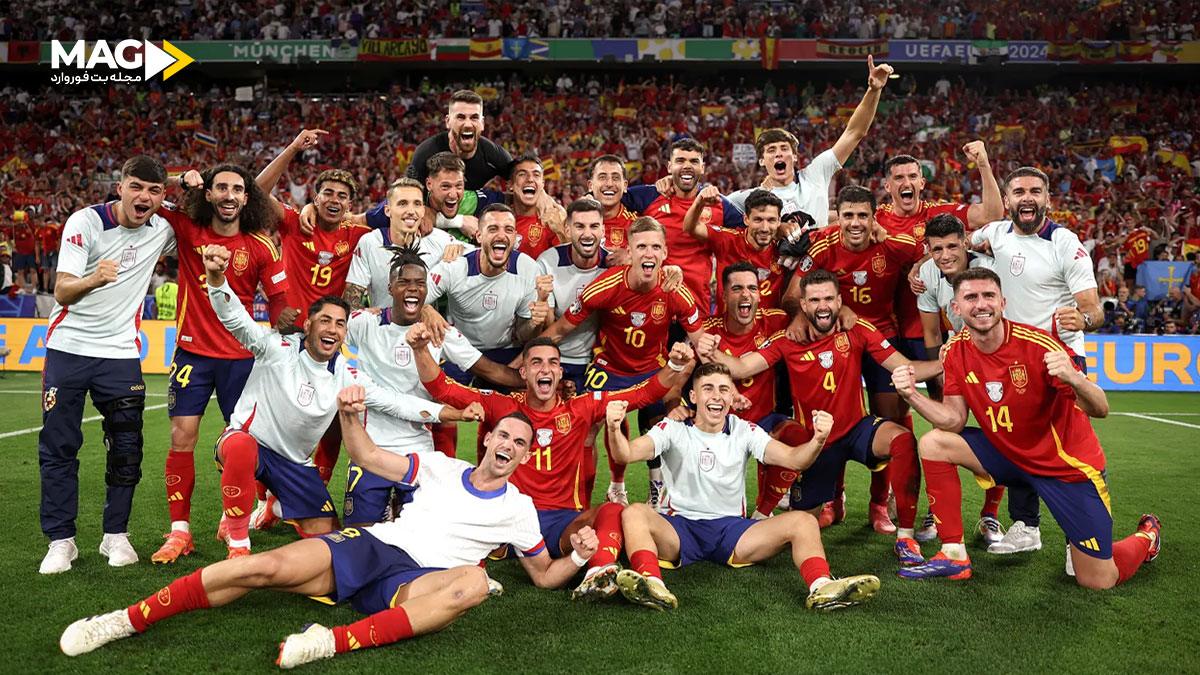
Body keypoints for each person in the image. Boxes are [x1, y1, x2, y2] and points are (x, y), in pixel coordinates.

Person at [58, 400, 601, 669]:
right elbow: (367, 456)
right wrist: (350, 414)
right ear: (487, 439)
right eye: (503, 435)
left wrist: (577, 558)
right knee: (260, 568)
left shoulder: (519, 509)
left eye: (520, 443)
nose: (508, 446)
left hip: (420, 581)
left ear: (525, 455)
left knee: (476, 584)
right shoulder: (439, 466)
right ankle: (125, 620)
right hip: (376, 546)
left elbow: (544, 575)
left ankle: (327, 641)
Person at [188, 243, 473, 556]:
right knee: (241, 445)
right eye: (325, 320)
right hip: (252, 445)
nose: (332, 329)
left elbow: (395, 402)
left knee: (331, 538)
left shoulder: (346, 375)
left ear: (346, 332)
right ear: (308, 324)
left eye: (340, 324)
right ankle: (239, 542)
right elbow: (234, 318)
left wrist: (452, 413)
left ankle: (276, 504)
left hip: (296, 464)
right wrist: (216, 279)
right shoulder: (276, 347)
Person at [892, 267, 1161, 588]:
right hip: (1010, 456)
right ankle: (953, 555)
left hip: (1065, 467)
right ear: (956, 308)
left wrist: (1074, 378)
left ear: (1002, 302)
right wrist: (912, 396)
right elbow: (954, 419)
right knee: (935, 443)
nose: (981, 304)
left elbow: (1100, 408)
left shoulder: (1039, 345)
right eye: (971, 297)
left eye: (989, 295)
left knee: (1097, 579)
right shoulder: (954, 350)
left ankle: (1146, 538)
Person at [413, 332, 695, 601]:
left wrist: (673, 365)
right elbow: (442, 388)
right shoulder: (502, 405)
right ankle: (470, 564)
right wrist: (420, 349)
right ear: (524, 372)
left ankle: (598, 572)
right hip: (509, 516)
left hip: (562, 523)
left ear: (560, 373)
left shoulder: (581, 408)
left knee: (612, 510)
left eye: (553, 363)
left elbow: (643, 393)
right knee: (459, 520)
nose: (545, 369)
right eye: (536, 362)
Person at [700, 269, 942, 567]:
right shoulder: (785, 340)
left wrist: (944, 362)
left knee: (902, 439)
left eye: (828, 298)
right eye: (814, 300)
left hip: (856, 428)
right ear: (803, 305)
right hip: (817, 443)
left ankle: (905, 537)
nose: (822, 306)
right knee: (800, 527)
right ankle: (758, 526)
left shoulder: (857, 330)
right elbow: (741, 368)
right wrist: (713, 352)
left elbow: (905, 367)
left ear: (840, 301)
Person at [602, 363, 881, 612]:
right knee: (635, 512)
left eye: (724, 389)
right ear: (693, 397)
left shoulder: (744, 430)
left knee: (803, 521)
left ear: (731, 398)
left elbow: (795, 459)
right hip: (678, 527)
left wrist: (818, 440)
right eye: (708, 388)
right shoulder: (672, 428)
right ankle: (651, 583)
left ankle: (821, 586)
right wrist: (614, 429)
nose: (717, 396)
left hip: (733, 532)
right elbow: (625, 454)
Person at [37, 156, 178, 574]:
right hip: (68, 348)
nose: (144, 197)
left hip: (120, 353)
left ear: (163, 196)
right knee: (59, 445)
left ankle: (115, 535)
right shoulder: (86, 222)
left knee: (127, 447)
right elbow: (62, 290)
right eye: (136, 187)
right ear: (119, 187)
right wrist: (95, 278)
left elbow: (230, 198)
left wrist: (186, 178)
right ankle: (61, 541)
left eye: (154, 190)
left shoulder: (163, 228)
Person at [150, 164, 292, 565]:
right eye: (221, 188)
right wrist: (182, 179)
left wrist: (285, 337)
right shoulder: (187, 228)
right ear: (208, 194)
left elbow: (279, 300)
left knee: (244, 445)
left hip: (242, 359)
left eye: (237, 189)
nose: (229, 195)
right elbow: (148, 196)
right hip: (192, 355)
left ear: (247, 198)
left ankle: (239, 519)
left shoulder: (261, 245)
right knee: (181, 439)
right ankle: (180, 532)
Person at [967, 166, 1103, 555]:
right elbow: (956, 243)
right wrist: (920, 266)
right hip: (1013, 360)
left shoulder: (1065, 243)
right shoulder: (994, 234)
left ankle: (1081, 533)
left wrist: (1084, 319)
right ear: (1007, 201)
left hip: (1060, 359)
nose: (1027, 198)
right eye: (1019, 192)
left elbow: (1093, 308)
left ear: (1047, 199)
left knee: (1069, 444)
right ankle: (1026, 526)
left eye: (1035, 191)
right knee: (1019, 440)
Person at [342, 244, 522, 526]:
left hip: (419, 450)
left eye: (420, 283)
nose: (413, 288)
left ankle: (399, 507)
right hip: (372, 446)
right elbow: (325, 332)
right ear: (390, 288)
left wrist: (530, 383)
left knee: (422, 532)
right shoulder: (363, 323)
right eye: (404, 282)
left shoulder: (439, 332)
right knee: (360, 533)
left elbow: (489, 369)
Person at [782, 186, 924, 535]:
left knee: (891, 418)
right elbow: (792, 295)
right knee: (833, 419)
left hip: (881, 338)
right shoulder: (823, 246)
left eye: (863, 215)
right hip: (834, 340)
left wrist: (918, 266)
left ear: (875, 218)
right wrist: (801, 316)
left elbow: (931, 253)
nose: (855, 223)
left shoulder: (892, 244)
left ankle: (879, 504)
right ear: (838, 217)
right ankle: (834, 498)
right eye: (848, 215)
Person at [542, 216, 706, 508]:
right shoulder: (605, 286)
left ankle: (659, 492)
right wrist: (527, 358)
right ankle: (588, 497)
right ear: (628, 252)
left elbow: (701, 342)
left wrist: (691, 378)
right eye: (641, 246)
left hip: (653, 368)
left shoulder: (675, 291)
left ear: (665, 253)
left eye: (655, 247)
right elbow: (560, 329)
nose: (648, 253)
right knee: (589, 427)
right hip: (610, 366)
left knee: (662, 424)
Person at [912, 213, 1005, 545]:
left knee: (1001, 435)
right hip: (956, 360)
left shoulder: (990, 268)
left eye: (952, 246)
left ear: (966, 243)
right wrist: (938, 377)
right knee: (941, 435)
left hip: (995, 362)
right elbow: (931, 331)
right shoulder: (927, 273)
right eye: (937, 249)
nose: (945, 255)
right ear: (928, 249)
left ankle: (990, 515)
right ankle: (937, 514)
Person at [726, 56, 895, 228]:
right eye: (771, 150)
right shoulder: (750, 199)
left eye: (784, 148)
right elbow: (715, 210)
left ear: (794, 156)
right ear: (762, 161)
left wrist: (873, 91)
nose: (778, 154)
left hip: (820, 246)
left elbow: (854, 133)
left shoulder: (816, 174)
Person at [701, 261, 794, 519]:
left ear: (760, 294)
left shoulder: (776, 321)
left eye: (752, 288)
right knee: (718, 513)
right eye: (737, 288)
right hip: (720, 426)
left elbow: (808, 312)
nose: (746, 295)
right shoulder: (707, 330)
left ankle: (763, 512)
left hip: (764, 420)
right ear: (724, 295)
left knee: (796, 434)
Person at [256, 128, 374, 327]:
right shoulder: (294, 222)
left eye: (342, 196)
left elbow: (393, 216)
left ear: (349, 206)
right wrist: (294, 148)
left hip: (327, 333)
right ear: (316, 199)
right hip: (288, 329)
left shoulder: (358, 235)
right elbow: (258, 191)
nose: (334, 200)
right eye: (328, 193)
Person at [425, 203, 548, 380]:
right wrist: (426, 309)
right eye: (493, 229)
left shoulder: (528, 269)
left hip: (506, 351)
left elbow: (523, 335)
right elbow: (412, 298)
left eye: (508, 230)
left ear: (515, 238)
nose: (501, 235)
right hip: (460, 351)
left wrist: (534, 323)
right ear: (479, 236)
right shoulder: (455, 265)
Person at [622, 137, 743, 312]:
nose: (687, 166)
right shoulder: (650, 196)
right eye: (680, 161)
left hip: (697, 305)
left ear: (702, 167)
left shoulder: (718, 204)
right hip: (651, 304)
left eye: (694, 161)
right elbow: (607, 198)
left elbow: (753, 231)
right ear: (669, 167)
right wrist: (623, 249)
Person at [347, 173, 472, 311]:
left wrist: (459, 249)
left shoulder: (440, 240)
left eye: (417, 204)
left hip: (426, 323)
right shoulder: (370, 242)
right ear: (388, 211)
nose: (411, 211)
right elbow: (351, 300)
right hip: (383, 323)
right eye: (403, 204)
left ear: (423, 211)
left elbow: (480, 257)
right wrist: (367, 317)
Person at [684, 188, 788, 312]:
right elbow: (691, 227)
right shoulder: (728, 240)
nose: (764, 228)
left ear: (779, 221)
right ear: (746, 219)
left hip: (769, 323)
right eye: (758, 220)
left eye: (771, 220)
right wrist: (699, 203)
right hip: (727, 322)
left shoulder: (785, 249)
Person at [405, 89, 513, 191]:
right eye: (461, 117)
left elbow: (519, 185)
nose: (468, 124)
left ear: (482, 123)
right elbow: (409, 195)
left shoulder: (495, 156)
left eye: (474, 117)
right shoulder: (425, 153)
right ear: (448, 122)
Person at [588, 154, 638, 266]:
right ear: (590, 185)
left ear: (625, 186)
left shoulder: (636, 225)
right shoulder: (575, 222)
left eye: (615, 178)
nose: (609, 184)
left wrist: (633, 258)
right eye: (602, 177)